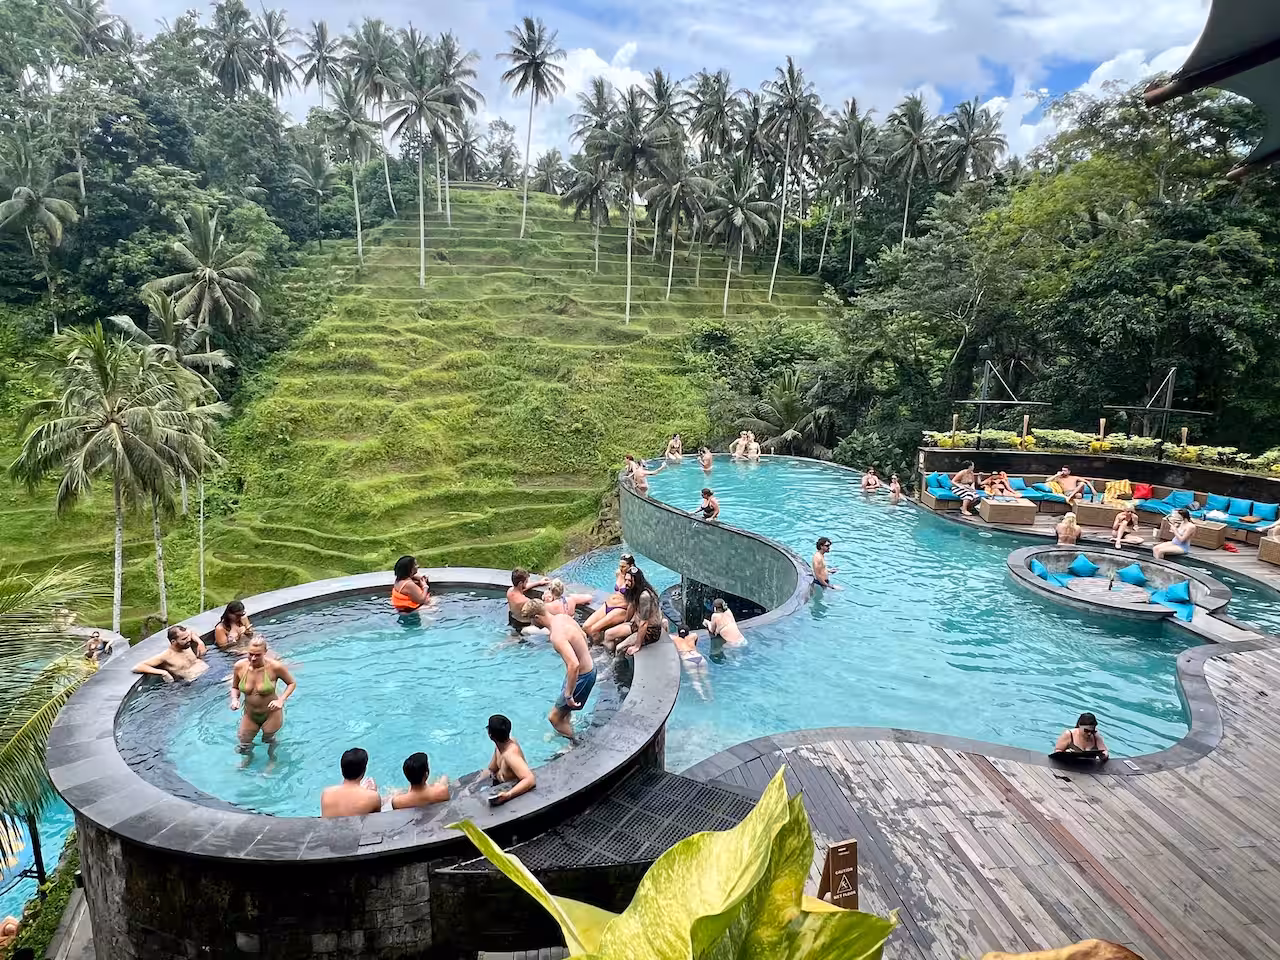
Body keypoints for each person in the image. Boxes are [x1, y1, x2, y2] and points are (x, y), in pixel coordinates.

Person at [523, 599, 596, 740]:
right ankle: (565, 726)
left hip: (582, 676)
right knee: (564, 712)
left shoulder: (556, 636)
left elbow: (573, 665)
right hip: (587, 670)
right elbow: (583, 635)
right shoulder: (563, 617)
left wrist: (569, 695)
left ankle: (574, 743)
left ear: (537, 617)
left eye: (531, 620)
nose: (532, 624)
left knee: (554, 718)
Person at [230, 636, 297, 753]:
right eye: (250, 654)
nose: (253, 658)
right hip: (250, 714)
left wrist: (281, 700)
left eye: (258, 655)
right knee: (244, 742)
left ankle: (272, 760)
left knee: (269, 740)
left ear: (265, 652)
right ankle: (247, 760)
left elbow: (291, 683)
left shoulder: (275, 667)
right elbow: (235, 687)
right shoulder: (239, 666)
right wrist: (235, 699)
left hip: (271, 713)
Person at [486, 714, 536, 805]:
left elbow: (530, 779)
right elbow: (492, 768)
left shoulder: (511, 754)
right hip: (497, 781)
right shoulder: (499, 746)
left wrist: (508, 795)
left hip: (508, 786)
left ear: (490, 734)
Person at [320, 747, 381, 817]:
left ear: (342, 770)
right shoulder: (373, 797)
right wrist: (373, 792)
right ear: (364, 770)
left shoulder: (326, 793)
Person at [133, 626, 208, 682]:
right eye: (184, 639)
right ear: (173, 642)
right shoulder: (166, 656)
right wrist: (163, 673)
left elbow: (190, 631)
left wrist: (200, 642)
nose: (188, 639)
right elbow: (137, 667)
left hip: (208, 673)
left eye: (187, 637)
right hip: (191, 684)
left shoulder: (186, 645)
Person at [613, 590, 667, 657]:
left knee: (619, 648)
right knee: (608, 634)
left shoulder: (645, 597)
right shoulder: (634, 593)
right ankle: (609, 656)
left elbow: (644, 624)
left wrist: (637, 646)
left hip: (649, 631)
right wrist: (625, 623)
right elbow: (631, 607)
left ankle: (618, 665)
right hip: (635, 625)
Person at [506, 567, 550, 635]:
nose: (527, 583)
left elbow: (523, 588)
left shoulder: (510, 591)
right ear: (520, 583)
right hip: (523, 625)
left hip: (513, 620)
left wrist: (539, 582)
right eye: (526, 581)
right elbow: (542, 609)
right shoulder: (524, 601)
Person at [673, 626, 711, 700]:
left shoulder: (674, 639)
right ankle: (710, 696)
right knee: (705, 680)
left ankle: (703, 697)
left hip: (688, 659)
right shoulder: (693, 636)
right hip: (699, 657)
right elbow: (695, 638)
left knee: (695, 681)